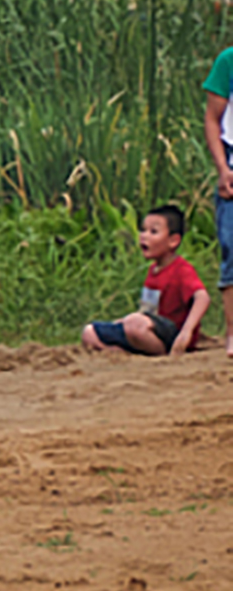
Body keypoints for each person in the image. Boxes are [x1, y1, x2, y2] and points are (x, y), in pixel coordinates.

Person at [79, 205, 211, 357]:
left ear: (173, 241)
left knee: (134, 325)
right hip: (145, 329)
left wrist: (186, 332)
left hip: (169, 333)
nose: (144, 236)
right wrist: (123, 321)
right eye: (143, 230)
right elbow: (148, 310)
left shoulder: (182, 270)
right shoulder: (152, 271)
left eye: (153, 232)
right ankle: (126, 354)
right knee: (89, 333)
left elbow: (202, 297)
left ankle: (163, 353)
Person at [205, 42, 233, 351]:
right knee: (232, 246)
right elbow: (213, 118)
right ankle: (232, 334)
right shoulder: (228, 61)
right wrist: (223, 168)